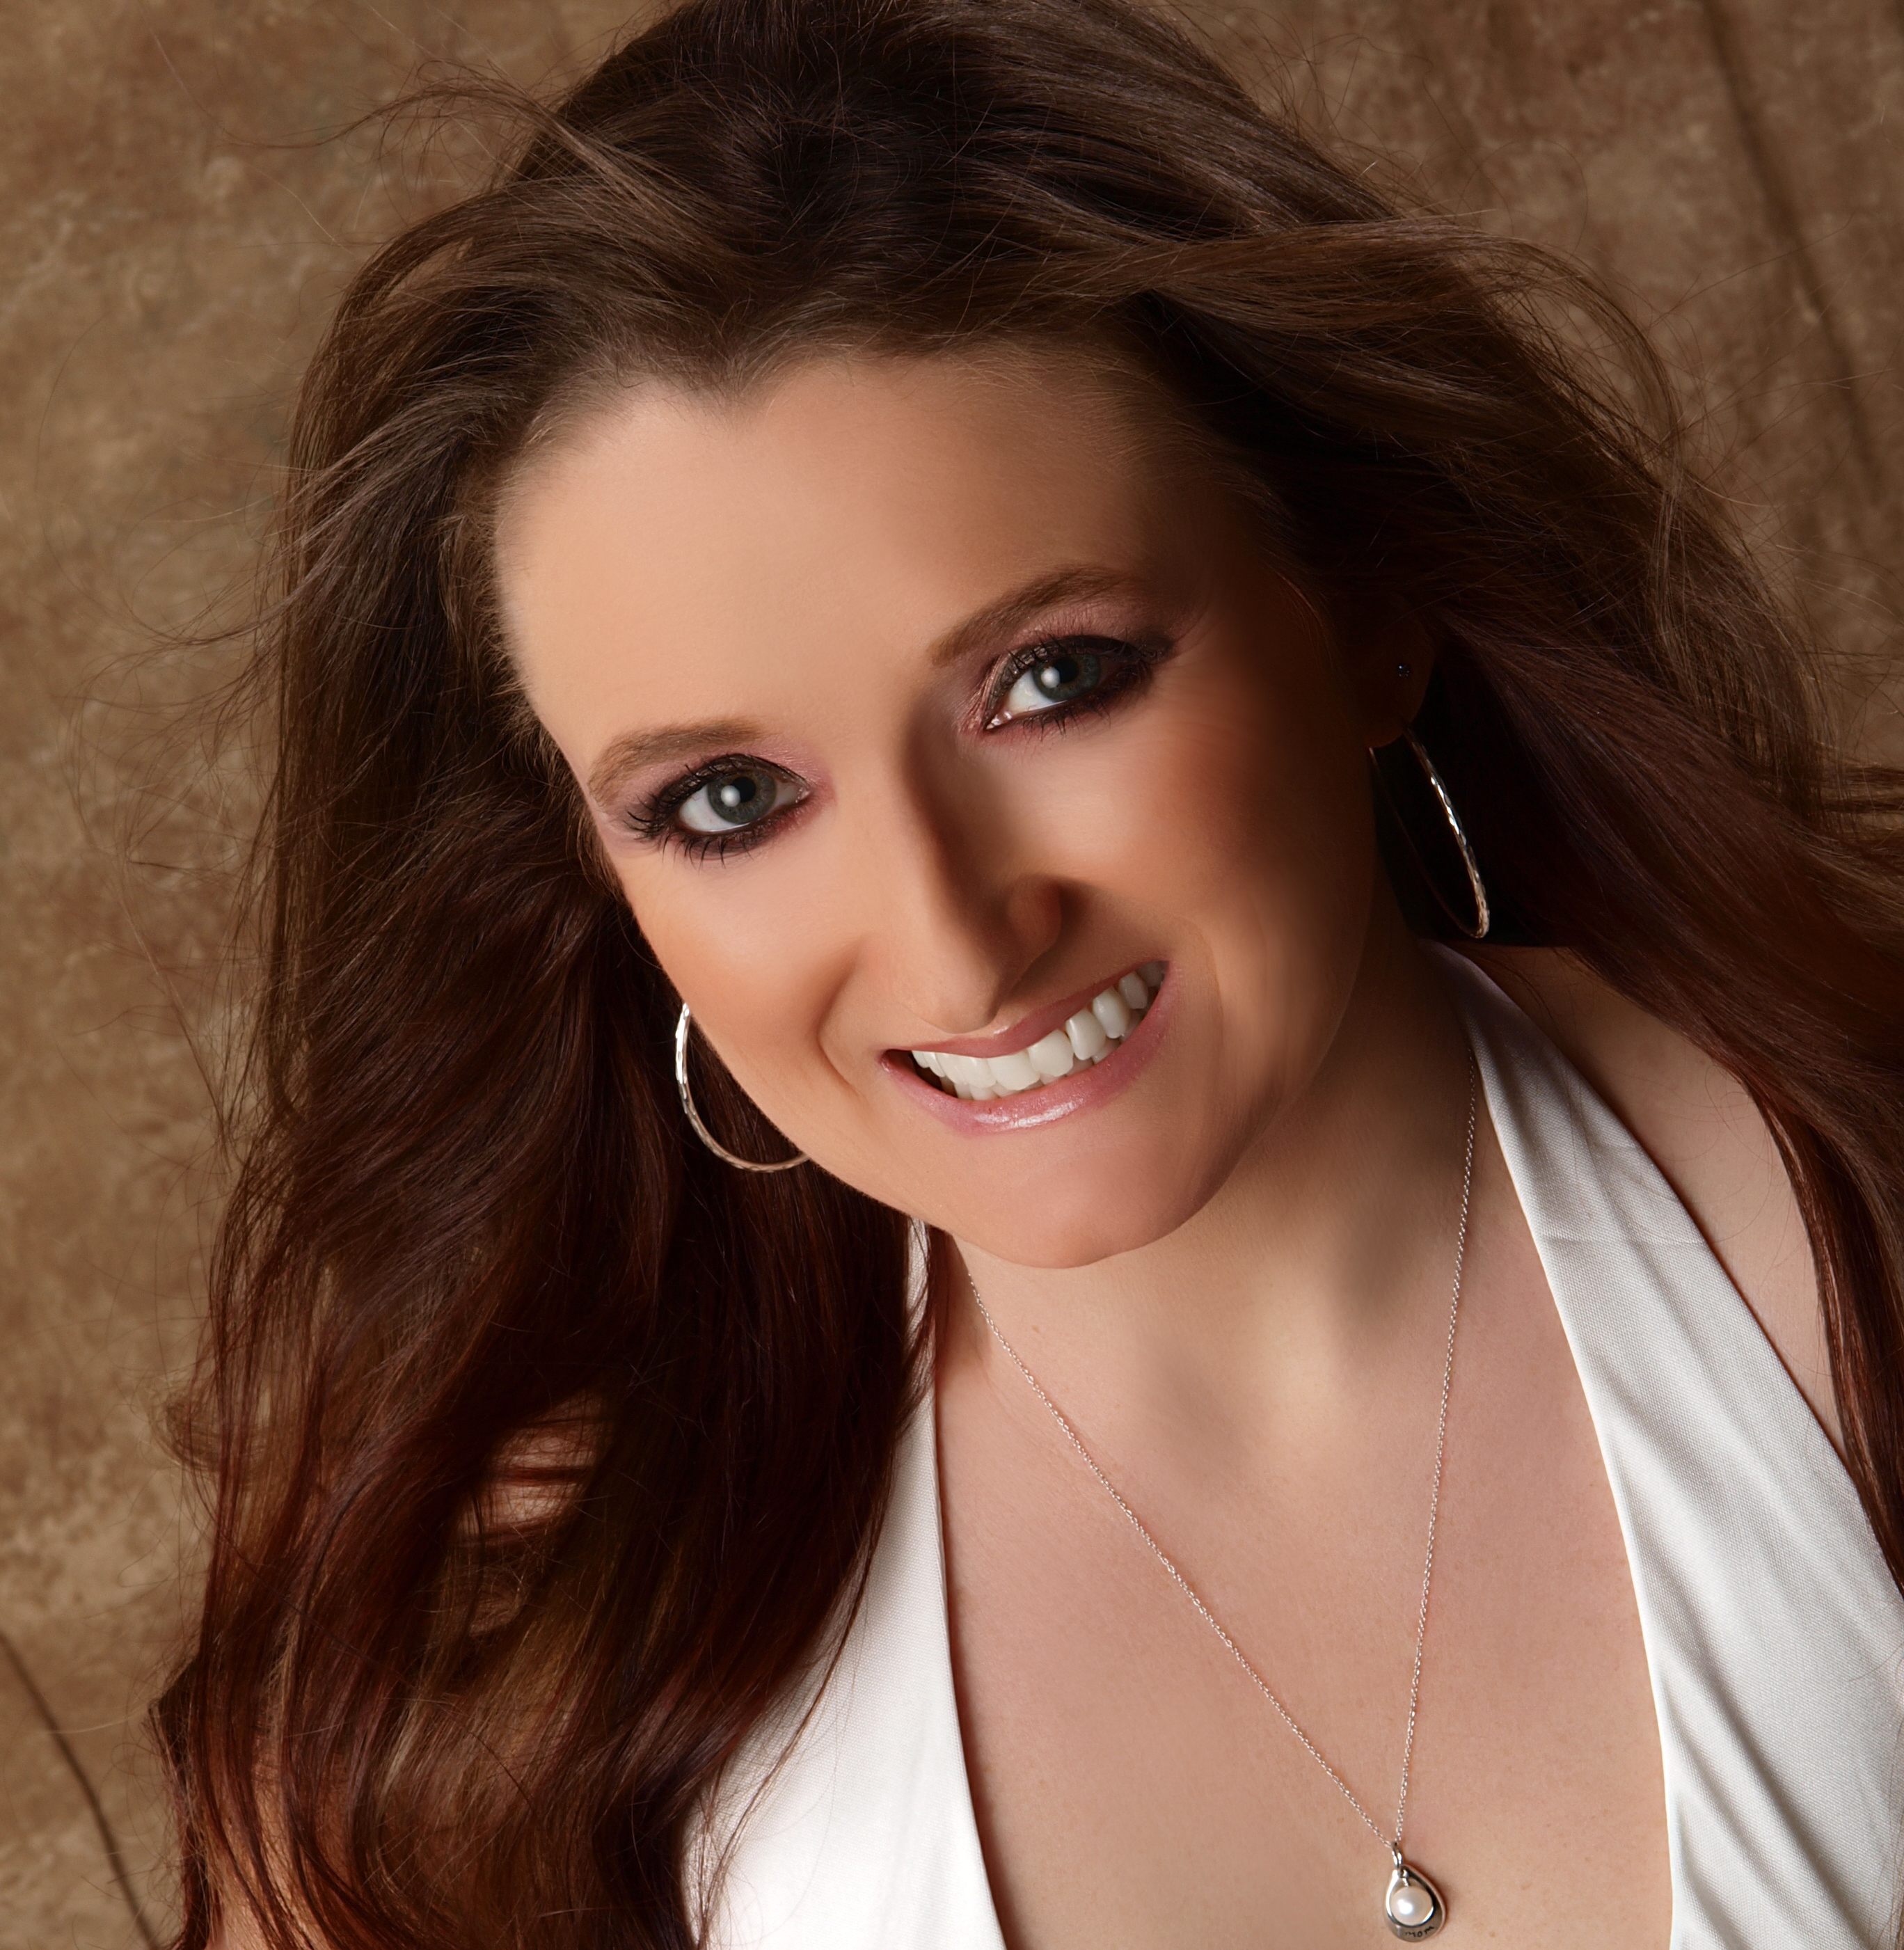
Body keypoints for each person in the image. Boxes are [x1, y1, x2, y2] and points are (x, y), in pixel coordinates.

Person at [163, 1, 1904, 1945]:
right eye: (730, 800)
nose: (954, 937)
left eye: (1052, 680)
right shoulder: (502, 1649)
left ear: (1362, 615)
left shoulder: (1849, 1216)